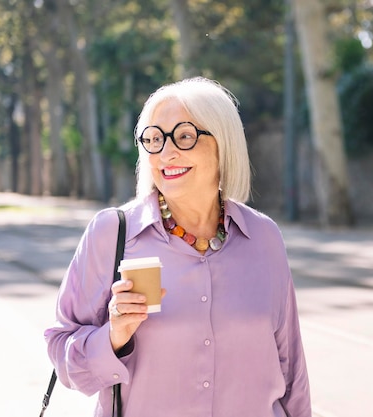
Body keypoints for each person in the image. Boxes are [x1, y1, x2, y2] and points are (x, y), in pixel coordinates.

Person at [45, 77, 311, 417]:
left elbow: (291, 369)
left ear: (223, 143)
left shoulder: (264, 237)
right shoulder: (111, 233)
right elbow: (61, 351)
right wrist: (113, 335)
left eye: (184, 136)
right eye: (154, 139)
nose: (167, 153)